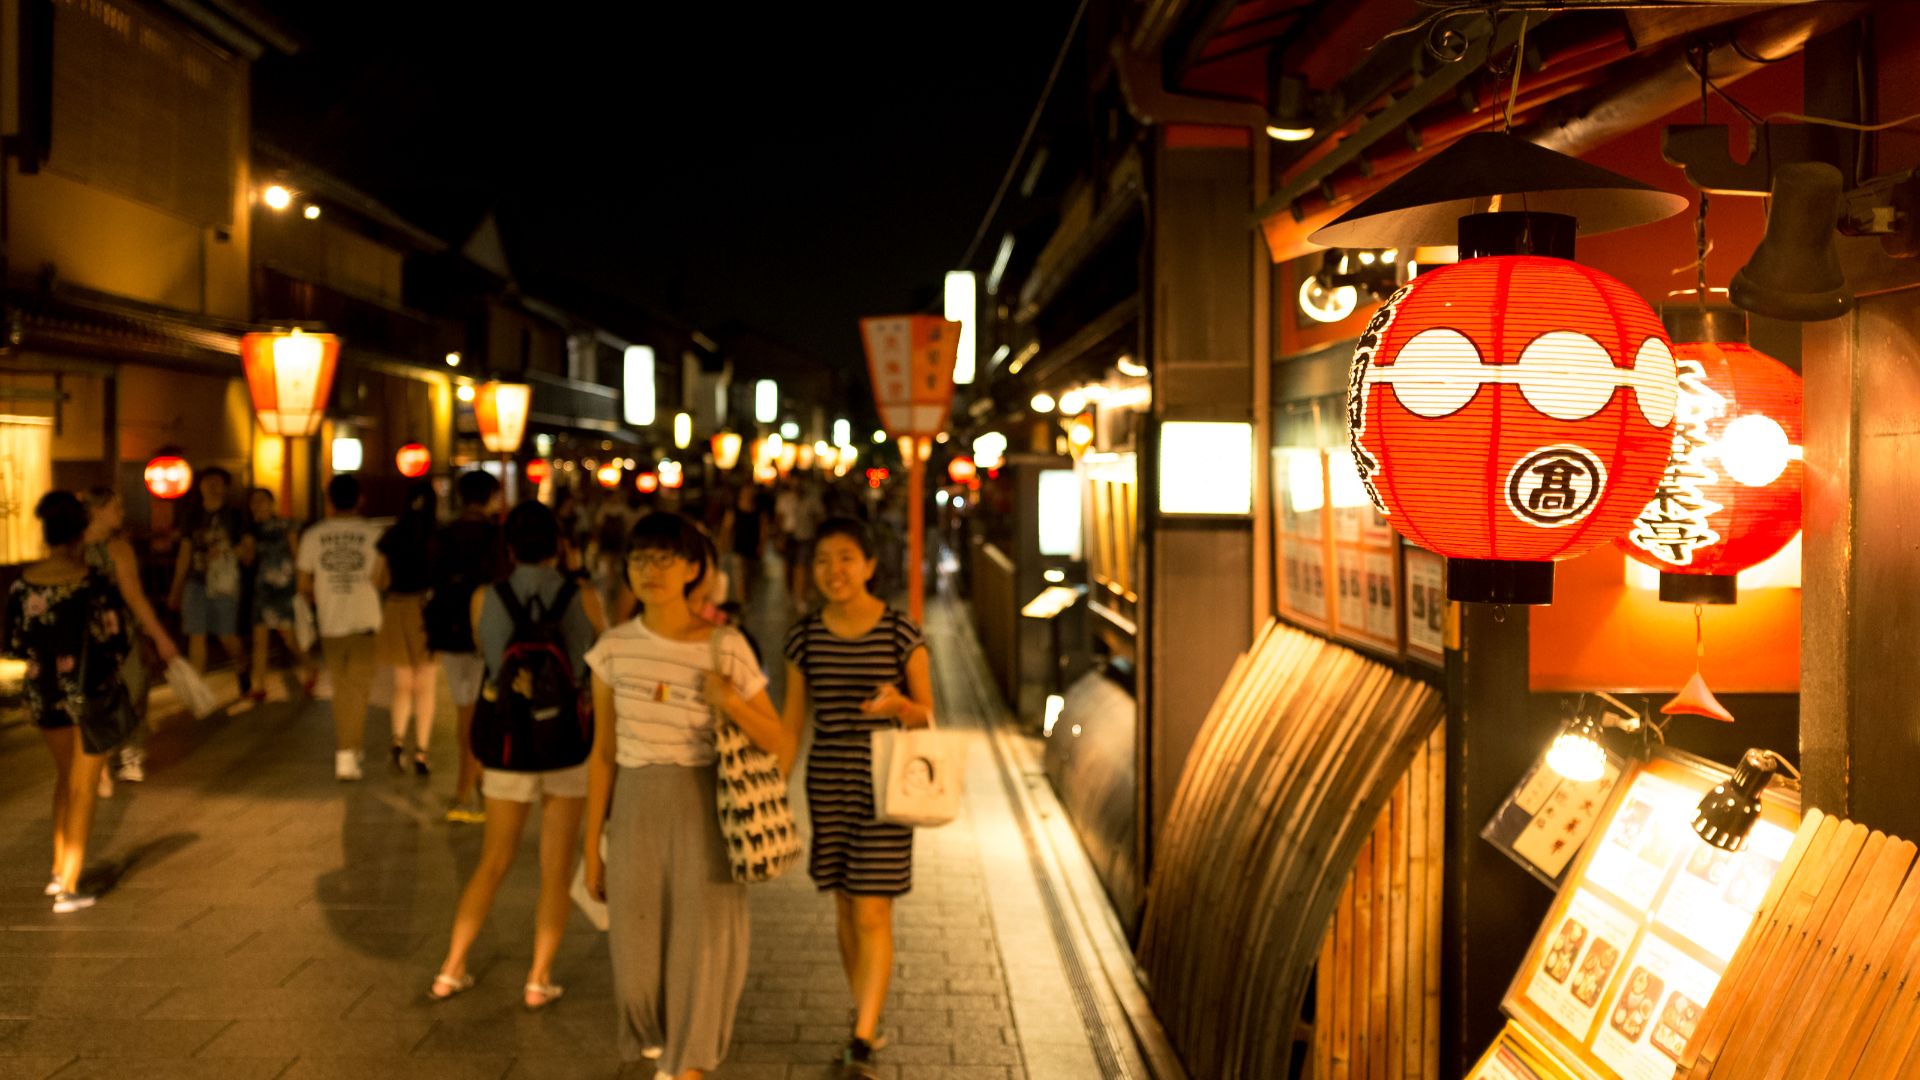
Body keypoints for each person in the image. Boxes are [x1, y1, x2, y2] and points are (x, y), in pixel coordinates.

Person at [582, 512, 792, 1079]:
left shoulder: (725, 646)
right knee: (635, 958)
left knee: (702, 943)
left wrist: (732, 703)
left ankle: (687, 1063)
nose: (650, 571)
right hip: (634, 808)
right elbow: (601, 755)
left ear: (694, 568)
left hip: (706, 805)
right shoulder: (613, 649)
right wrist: (590, 847)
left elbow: (779, 740)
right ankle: (658, 1038)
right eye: (639, 560)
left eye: (664, 559)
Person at [429, 500, 600, 1009]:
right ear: (560, 546)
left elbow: (490, 659)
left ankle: (451, 967)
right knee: (555, 867)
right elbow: (596, 662)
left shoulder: (487, 597)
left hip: (506, 743)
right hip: (566, 743)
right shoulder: (583, 597)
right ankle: (537, 978)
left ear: (508, 548)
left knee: (493, 861)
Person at [781, 516, 935, 1077]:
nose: (833, 570)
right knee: (846, 905)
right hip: (828, 779)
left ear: (870, 565)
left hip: (886, 780)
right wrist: (774, 785)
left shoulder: (901, 633)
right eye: (823, 560)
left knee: (872, 907)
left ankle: (864, 1039)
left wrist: (899, 708)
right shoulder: (804, 637)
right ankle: (865, 1015)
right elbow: (792, 724)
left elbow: (929, 718)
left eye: (846, 557)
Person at [8, 493, 133, 912]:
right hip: (90, 693)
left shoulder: (23, 584)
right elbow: (118, 638)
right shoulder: (93, 582)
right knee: (84, 788)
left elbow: (14, 642)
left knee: (64, 780)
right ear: (81, 534)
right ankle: (70, 886)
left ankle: (58, 869)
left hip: (44, 694)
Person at [81, 488, 181, 783]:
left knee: (129, 686)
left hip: (108, 630)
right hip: (97, 631)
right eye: (116, 507)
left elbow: (134, 596)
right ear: (96, 511)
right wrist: (161, 637)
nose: (121, 513)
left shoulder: (117, 547)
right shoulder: (79, 547)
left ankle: (125, 750)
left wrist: (158, 635)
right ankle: (114, 752)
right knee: (119, 689)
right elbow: (135, 597)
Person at [427, 470, 506, 822]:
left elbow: (431, 578)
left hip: (449, 631)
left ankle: (476, 785)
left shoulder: (444, 534)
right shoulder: (496, 536)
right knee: (474, 715)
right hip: (486, 633)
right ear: (490, 497)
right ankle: (468, 792)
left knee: (466, 709)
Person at [297, 474, 386, 781]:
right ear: (359, 498)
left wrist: (322, 594)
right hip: (366, 621)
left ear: (330, 500)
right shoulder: (374, 534)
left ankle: (351, 747)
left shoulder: (313, 536)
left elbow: (303, 583)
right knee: (358, 689)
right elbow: (380, 580)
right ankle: (347, 753)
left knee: (342, 688)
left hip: (331, 622)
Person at [166, 466, 253, 693]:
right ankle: (197, 690)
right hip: (196, 581)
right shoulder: (192, 515)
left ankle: (242, 664)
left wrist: (229, 551)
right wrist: (176, 588)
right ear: (200, 486)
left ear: (225, 487)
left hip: (224, 583)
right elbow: (185, 552)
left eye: (218, 482)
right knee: (197, 633)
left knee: (226, 635)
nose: (212, 486)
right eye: (208, 481)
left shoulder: (235, 515)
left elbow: (247, 550)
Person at [377, 481, 439, 776]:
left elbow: (376, 577)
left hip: (396, 607)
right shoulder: (435, 535)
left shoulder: (391, 534)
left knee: (402, 684)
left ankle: (397, 741)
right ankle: (422, 753)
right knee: (425, 686)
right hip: (427, 611)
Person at [243, 487, 312, 705]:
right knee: (260, 637)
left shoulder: (286, 525)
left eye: (262, 500)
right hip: (263, 587)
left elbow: (296, 552)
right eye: (254, 501)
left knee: (288, 636)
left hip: (285, 585)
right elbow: (248, 561)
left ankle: (310, 667)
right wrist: (245, 548)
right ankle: (259, 686)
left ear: (272, 503)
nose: (258, 505)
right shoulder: (250, 529)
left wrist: (303, 581)